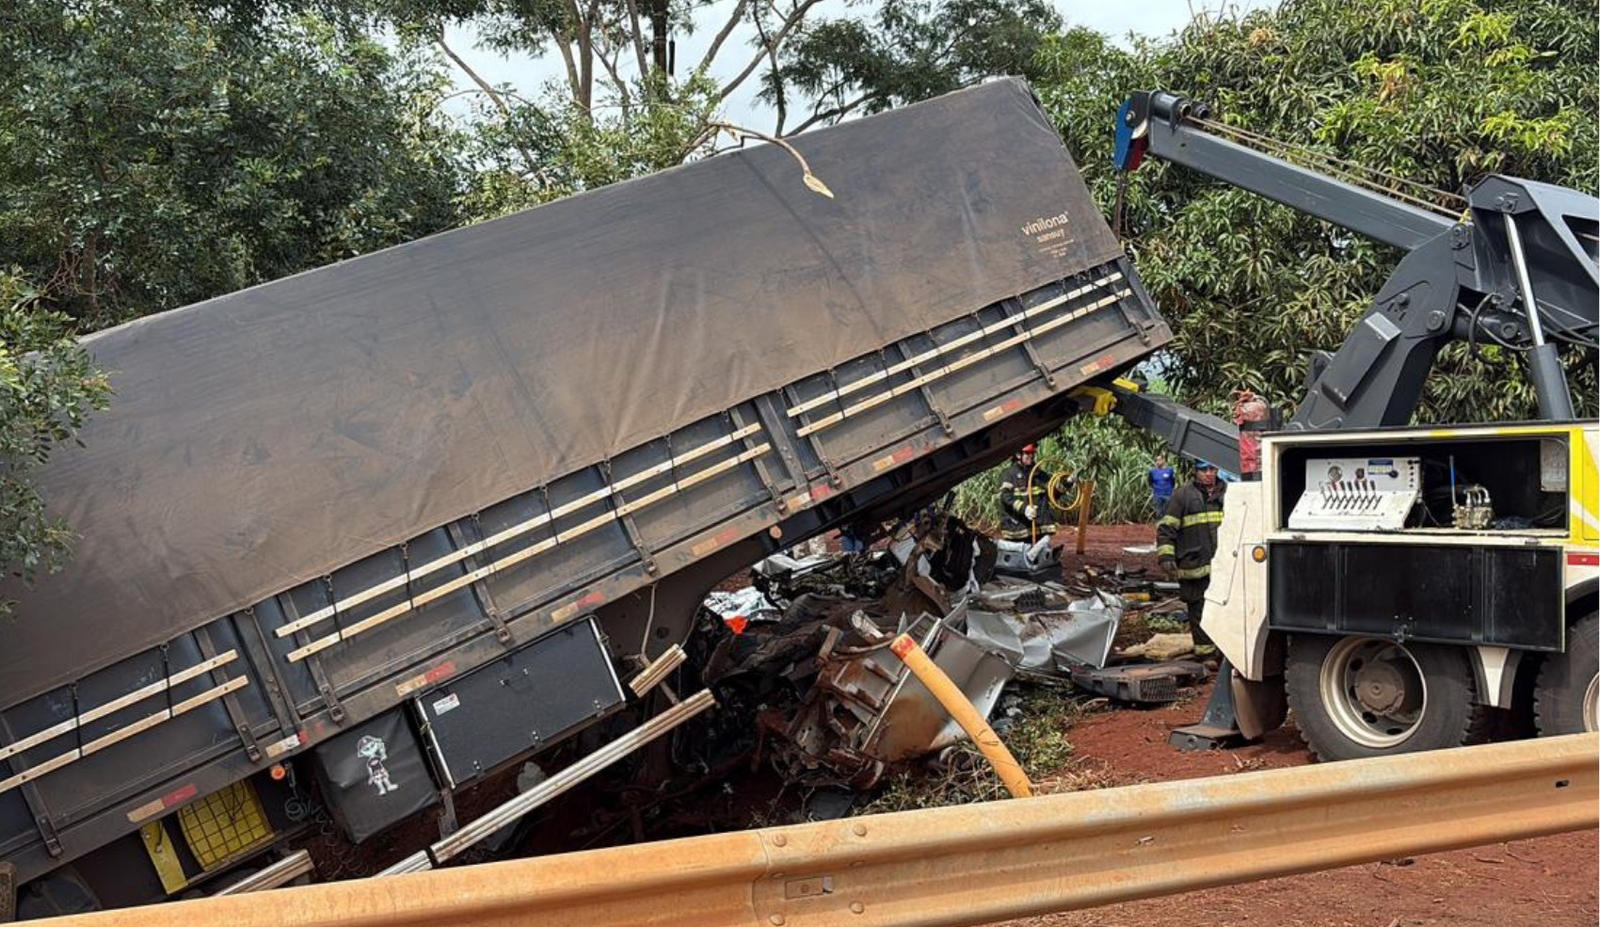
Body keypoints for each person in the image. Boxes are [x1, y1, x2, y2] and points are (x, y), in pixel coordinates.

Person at [1157, 459, 1226, 657]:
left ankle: (1223, 654)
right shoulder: (1182, 496)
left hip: (1223, 568)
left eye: (1212, 468)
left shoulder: (1227, 494)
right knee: (1198, 611)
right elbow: (1166, 528)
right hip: (1193, 566)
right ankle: (1205, 655)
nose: (1208, 473)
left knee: (1222, 611)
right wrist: (1166, 556)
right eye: (1204, 469)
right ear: (1196, 471)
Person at [999, 443, 1057, 542]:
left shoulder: (1039, 474)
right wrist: (1024, 508)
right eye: (1027, 453)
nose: (1031, 456)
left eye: (1032, 453)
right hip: (1018, 528)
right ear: (1018, 455)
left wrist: (1067, 482)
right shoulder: (1009, 474)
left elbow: (1053, 493)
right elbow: (1005, 496)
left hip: (1038, 527)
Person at [1147, 453, 1175, 519]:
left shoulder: (1170, 470)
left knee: (1167, 513)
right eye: (1156, 460)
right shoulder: (1152, 471)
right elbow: (1150, 482)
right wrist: (1155, 488)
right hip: (1157, 495)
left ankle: (1166, 528)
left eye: (1159, 460)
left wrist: (1169, 489)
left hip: (1167, 495)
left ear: (1163, 460)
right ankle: (1159, 527)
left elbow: (1173, 482)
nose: (1157, 462)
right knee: (1158, 513)